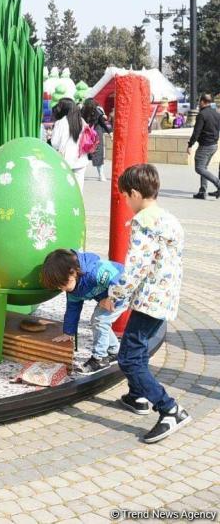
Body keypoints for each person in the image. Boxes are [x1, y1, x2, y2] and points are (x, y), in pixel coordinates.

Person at [108, 164, 189, 443]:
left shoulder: (144, 222)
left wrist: (113, 296)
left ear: (134, 193)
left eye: (125, 197)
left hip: (149, 301)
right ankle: (137, 395)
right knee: (138, 348)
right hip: (165, 299)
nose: (126, 202)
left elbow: (135, 269)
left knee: (129, 358)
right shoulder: (169, 219)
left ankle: (170, 409)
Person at [41, 249, 125, 373]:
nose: (62, 289)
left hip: (122, 292)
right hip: (108, 295)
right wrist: (68, 332)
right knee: (99, 321)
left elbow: (122, 280)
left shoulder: (95, 271)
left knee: (100, 320)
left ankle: (99, 359)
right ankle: (114, 350)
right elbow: (72, 310)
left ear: (72, 272)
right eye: (58, 287)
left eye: (63, 284)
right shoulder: (72, 289)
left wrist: (112, 298)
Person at [186, 93, 220, 200]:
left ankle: (218, 183)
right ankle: (202, 191)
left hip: (205, 146)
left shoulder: (202, 114)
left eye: (199, 101)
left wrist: (190, 145)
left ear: (202, 101)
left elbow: (196, 132)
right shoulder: (216, 113)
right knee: (204, 167)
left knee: (199, 168)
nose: (198, 103)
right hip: (214, 145)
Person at [50, 97, 88, 189]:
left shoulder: (60, 122)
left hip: (65, 160)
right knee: (79, 189)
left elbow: (54, 143)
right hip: (81, 159)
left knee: (65, 188)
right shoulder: (82, 121)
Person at [80, 98, 112, 182]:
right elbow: (103, 123)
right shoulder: (97, 111)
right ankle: (101, 175)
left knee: (84, 152)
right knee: (98, 153)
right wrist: (110, 133)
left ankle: (81, 173)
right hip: (96, 133)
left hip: (86, 133)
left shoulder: (82, 111)